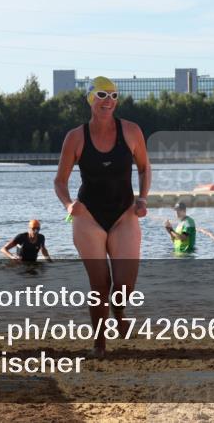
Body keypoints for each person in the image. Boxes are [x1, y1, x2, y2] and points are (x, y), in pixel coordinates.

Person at [54, 76, 151, 358]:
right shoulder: (76, 137)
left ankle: (118, 313)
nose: (109, 101)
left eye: (114, 96)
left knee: (124, 285)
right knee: (99, 284)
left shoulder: (131, 131)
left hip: (124, 214)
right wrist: (68, 204)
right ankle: (99, 343)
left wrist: (143, 198)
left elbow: (144, 168)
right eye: (102, 95)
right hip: (88, 216)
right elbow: (60, 181)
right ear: (90, 99)